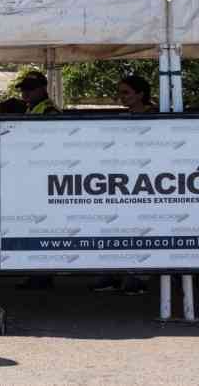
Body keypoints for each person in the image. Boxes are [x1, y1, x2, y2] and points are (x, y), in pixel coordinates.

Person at [89, 76, 155, 296]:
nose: (122, 97)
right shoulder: (124, 117)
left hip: (147, 184)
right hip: (123, 182)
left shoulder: (156, 117)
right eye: (121, 92)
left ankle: (138, 276)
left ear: (140, 94)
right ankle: (115, 272)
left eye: (126, 92)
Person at [15, 70, 59, 291]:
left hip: (44, 176)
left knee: (44, 228)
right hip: (32, 174)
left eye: (29, 89)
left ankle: (43, 274)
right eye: (23, 89)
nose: (25, 93)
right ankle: (36, 273)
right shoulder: (31, 109)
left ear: (43, 88)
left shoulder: (49, 110)